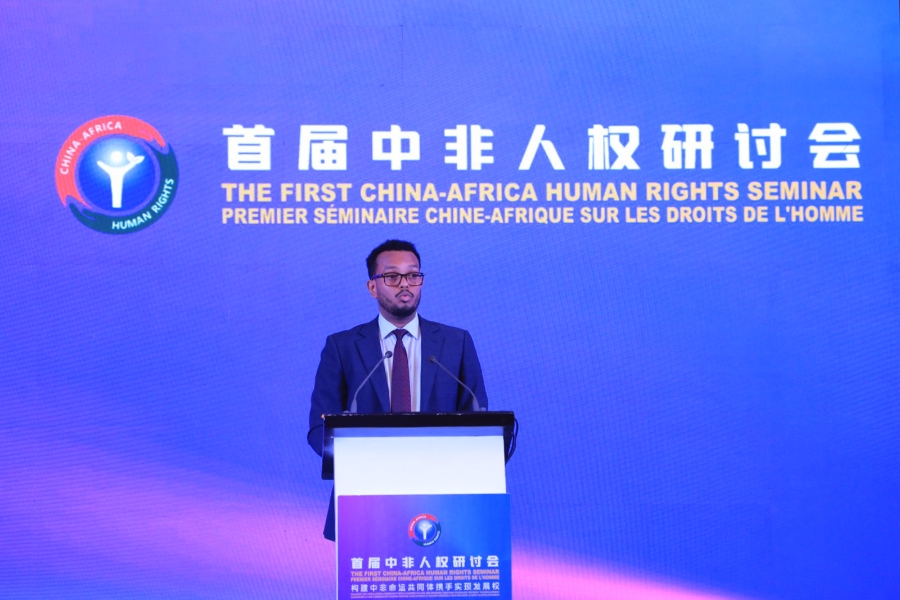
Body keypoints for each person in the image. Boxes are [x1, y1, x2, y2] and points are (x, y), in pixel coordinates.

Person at [308, 239, 488, 540]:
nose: (405, 284)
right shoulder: (342, 346)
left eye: (413, 275)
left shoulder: (456, 343)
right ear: (372, 287)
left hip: (443, 500)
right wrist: (363, 464)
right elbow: (319, 429)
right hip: (363, 501)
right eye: (392, 276)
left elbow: (478, 421)